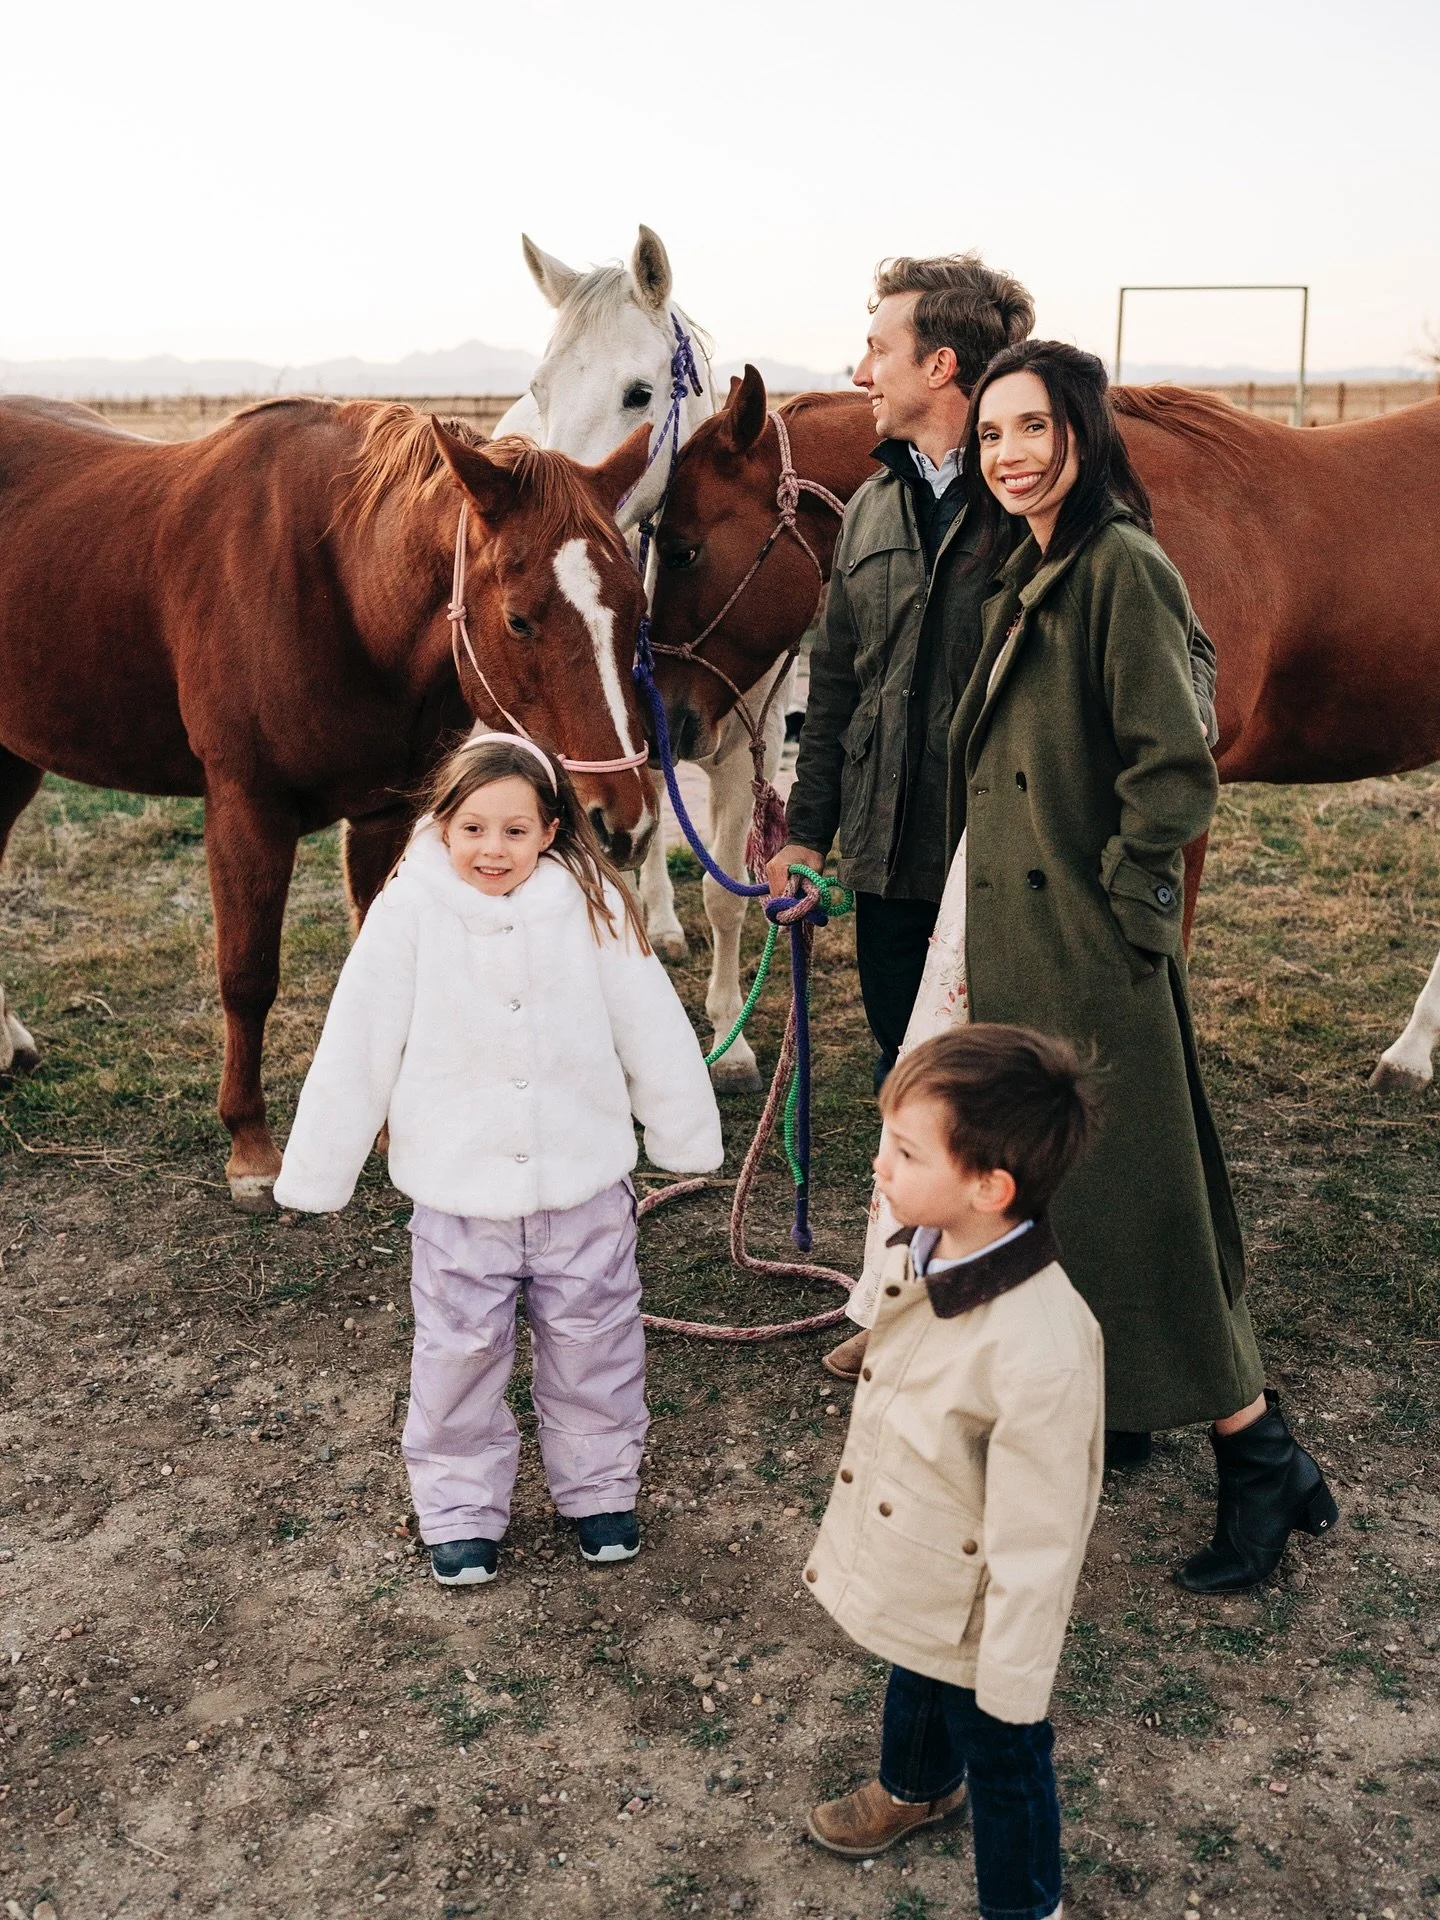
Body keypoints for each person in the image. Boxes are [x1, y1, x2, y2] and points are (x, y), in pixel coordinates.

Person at [838, 339, 1338, 1592]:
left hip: (1087, 951)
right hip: (1029, 940)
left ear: (1082, 437)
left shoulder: (1121, 566)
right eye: (993, 432)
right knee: (1079, 1203)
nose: (1008, 454)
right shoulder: (1040, 563)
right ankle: (1177, 1431)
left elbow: (1178, 762)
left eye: (1034, 430)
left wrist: (1123, 911)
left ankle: (1258, 1457)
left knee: (1150, 1211)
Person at [272, 735, 722, 1584]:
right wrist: (320, 1167)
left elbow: (652, 1028)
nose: (492, 848)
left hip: (582, 1193)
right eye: (473, 827)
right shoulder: (407, 914)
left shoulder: (593, 910)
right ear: (442, 826)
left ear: (552, 830)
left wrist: (683, 1132)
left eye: (516, 830)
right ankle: (459, 1511)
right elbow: (357, 1044)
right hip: (458, 1200)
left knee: (598, 1346)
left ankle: (599, 1493)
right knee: (457, 1356)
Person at [804, 1025, 1102, 1920]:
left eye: (903, 1150)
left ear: (989, 1187)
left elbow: (1041, 1536)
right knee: (914, 1660)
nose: (880, 1166)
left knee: (1006, 1754)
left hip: (986, 1604)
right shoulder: (925, 1252)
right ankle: (918, 1785)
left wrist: (1015, 1675)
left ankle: (1026, 1905)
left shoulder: (1040, 1351)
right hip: (928, 1558)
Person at [767, 253, 1035, 1090]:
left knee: (1000, 1089)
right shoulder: (872, 505)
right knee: (905, 1070)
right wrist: (809, 833)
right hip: (885, 868)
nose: (860, 374)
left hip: (1002, 868)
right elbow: (837, 683)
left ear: (939, 365)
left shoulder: (1043, 501)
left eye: (877, 350)